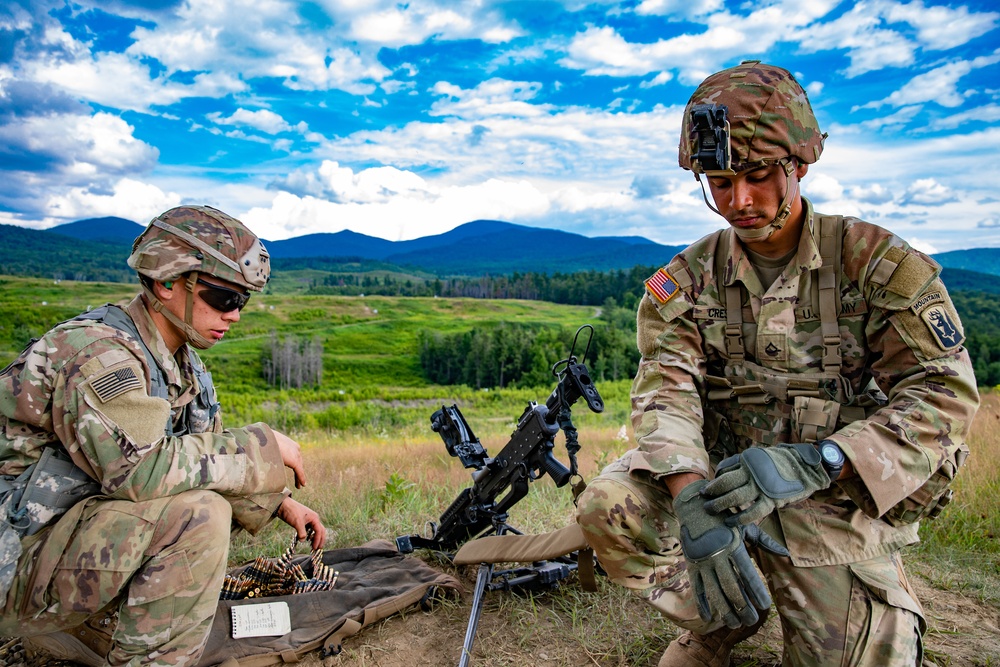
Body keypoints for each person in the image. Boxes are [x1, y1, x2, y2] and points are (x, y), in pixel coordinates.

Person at [576, 60, 979, 666]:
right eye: (718, 182)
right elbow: (667, 393)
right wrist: (690, 501)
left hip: (831, 496)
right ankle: (725, 610)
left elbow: (943, 394)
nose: (738, 200)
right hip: (721, 482)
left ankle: (858, 589)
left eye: (758, 175)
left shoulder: (873, 263)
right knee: (609, 508)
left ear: (799, 163)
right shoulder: (686, 280)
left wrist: (825, 460)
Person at [0, 205, 327, 666]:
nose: (234, 316)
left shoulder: (182, 365)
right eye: (223, 298)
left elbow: (200, 460)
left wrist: (278, 504)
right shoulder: (99, 355)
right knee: (199, 516)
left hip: (63, 539)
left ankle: (99, 628)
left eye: (242, 302)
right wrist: (262, 448)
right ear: (167, 282)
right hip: (17, 558)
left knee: (201, 499)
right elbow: (142, 471)